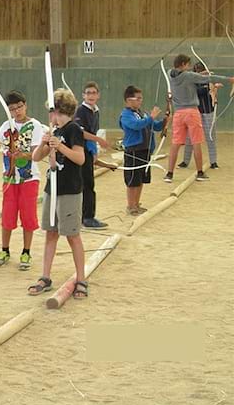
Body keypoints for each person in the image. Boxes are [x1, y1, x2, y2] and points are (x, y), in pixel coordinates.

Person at [29, 89, 88, 299]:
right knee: (50, 233)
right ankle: (45, 276)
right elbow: (36, 157)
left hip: (70, 190)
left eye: (52, 112)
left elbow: (80, 159)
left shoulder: (74, 130)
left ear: (60, 111)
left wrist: (60, 146)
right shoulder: (53, 131)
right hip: (51, 189)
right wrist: (46, 142)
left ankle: (81, 278)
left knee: (72, 235)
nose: (50, 116)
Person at [0, 91, 43, 270]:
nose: (17, 111)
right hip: (9, 179)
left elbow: (36, 153)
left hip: (29, 179)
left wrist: (22, 154)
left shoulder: (35, 126)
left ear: (25, 105)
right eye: (12, 109)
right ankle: (5, 250)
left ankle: (26, 251)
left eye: (19, 107)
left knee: (28, 216)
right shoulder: (5, 126)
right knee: (8, 215)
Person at [164, 54, 234, 183]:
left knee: (176, 143)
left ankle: (169, 174)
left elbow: (185, 75)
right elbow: (209, 78)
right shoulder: (189, 76)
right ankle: (200, 173)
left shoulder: (170, 73)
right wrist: (229, 79)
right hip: (191, 112)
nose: (189, 67)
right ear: (184, 64)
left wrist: (201, 74)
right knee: (196, 142)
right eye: (188, 64)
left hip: (178, 113)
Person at [119, 85, 166, 216]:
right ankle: (130, 206)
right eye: (138, 98)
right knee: (132, 180)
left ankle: (136, 203)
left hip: (145, 149)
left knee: (140, 179)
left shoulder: (143, 113)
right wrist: (150, 117)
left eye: (141, 98)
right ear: (129, 100)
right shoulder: (126, 115)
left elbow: (154, 126)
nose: (140, 101)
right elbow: (136, 125)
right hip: (133, 150)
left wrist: (165, 121)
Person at [73, 81, 111, 229]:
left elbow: (93, 132)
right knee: (86, 184)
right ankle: (87, 217)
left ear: (98, 95)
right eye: (88, 93)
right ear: (83, 95)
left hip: (88, 151)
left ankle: (86, 215)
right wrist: (98, 140)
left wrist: (94, 151)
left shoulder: (95, 111)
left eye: (94, 93)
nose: (91, 95)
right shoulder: (81, 111)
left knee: (89, 183)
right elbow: (80, 132)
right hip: (80, 151)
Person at [177, 62, 221, 169]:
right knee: (189, 138)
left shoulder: (209, 80)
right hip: (194, 112)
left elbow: (213, 93)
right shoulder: (191, 81)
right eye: (197, 70)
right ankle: (185, 161)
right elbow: (197, 92)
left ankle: (213, 162)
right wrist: (207, 84)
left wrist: (214, 88)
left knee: (210, 136)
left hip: (208, 111)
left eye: (200, 70)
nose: (198, 72)